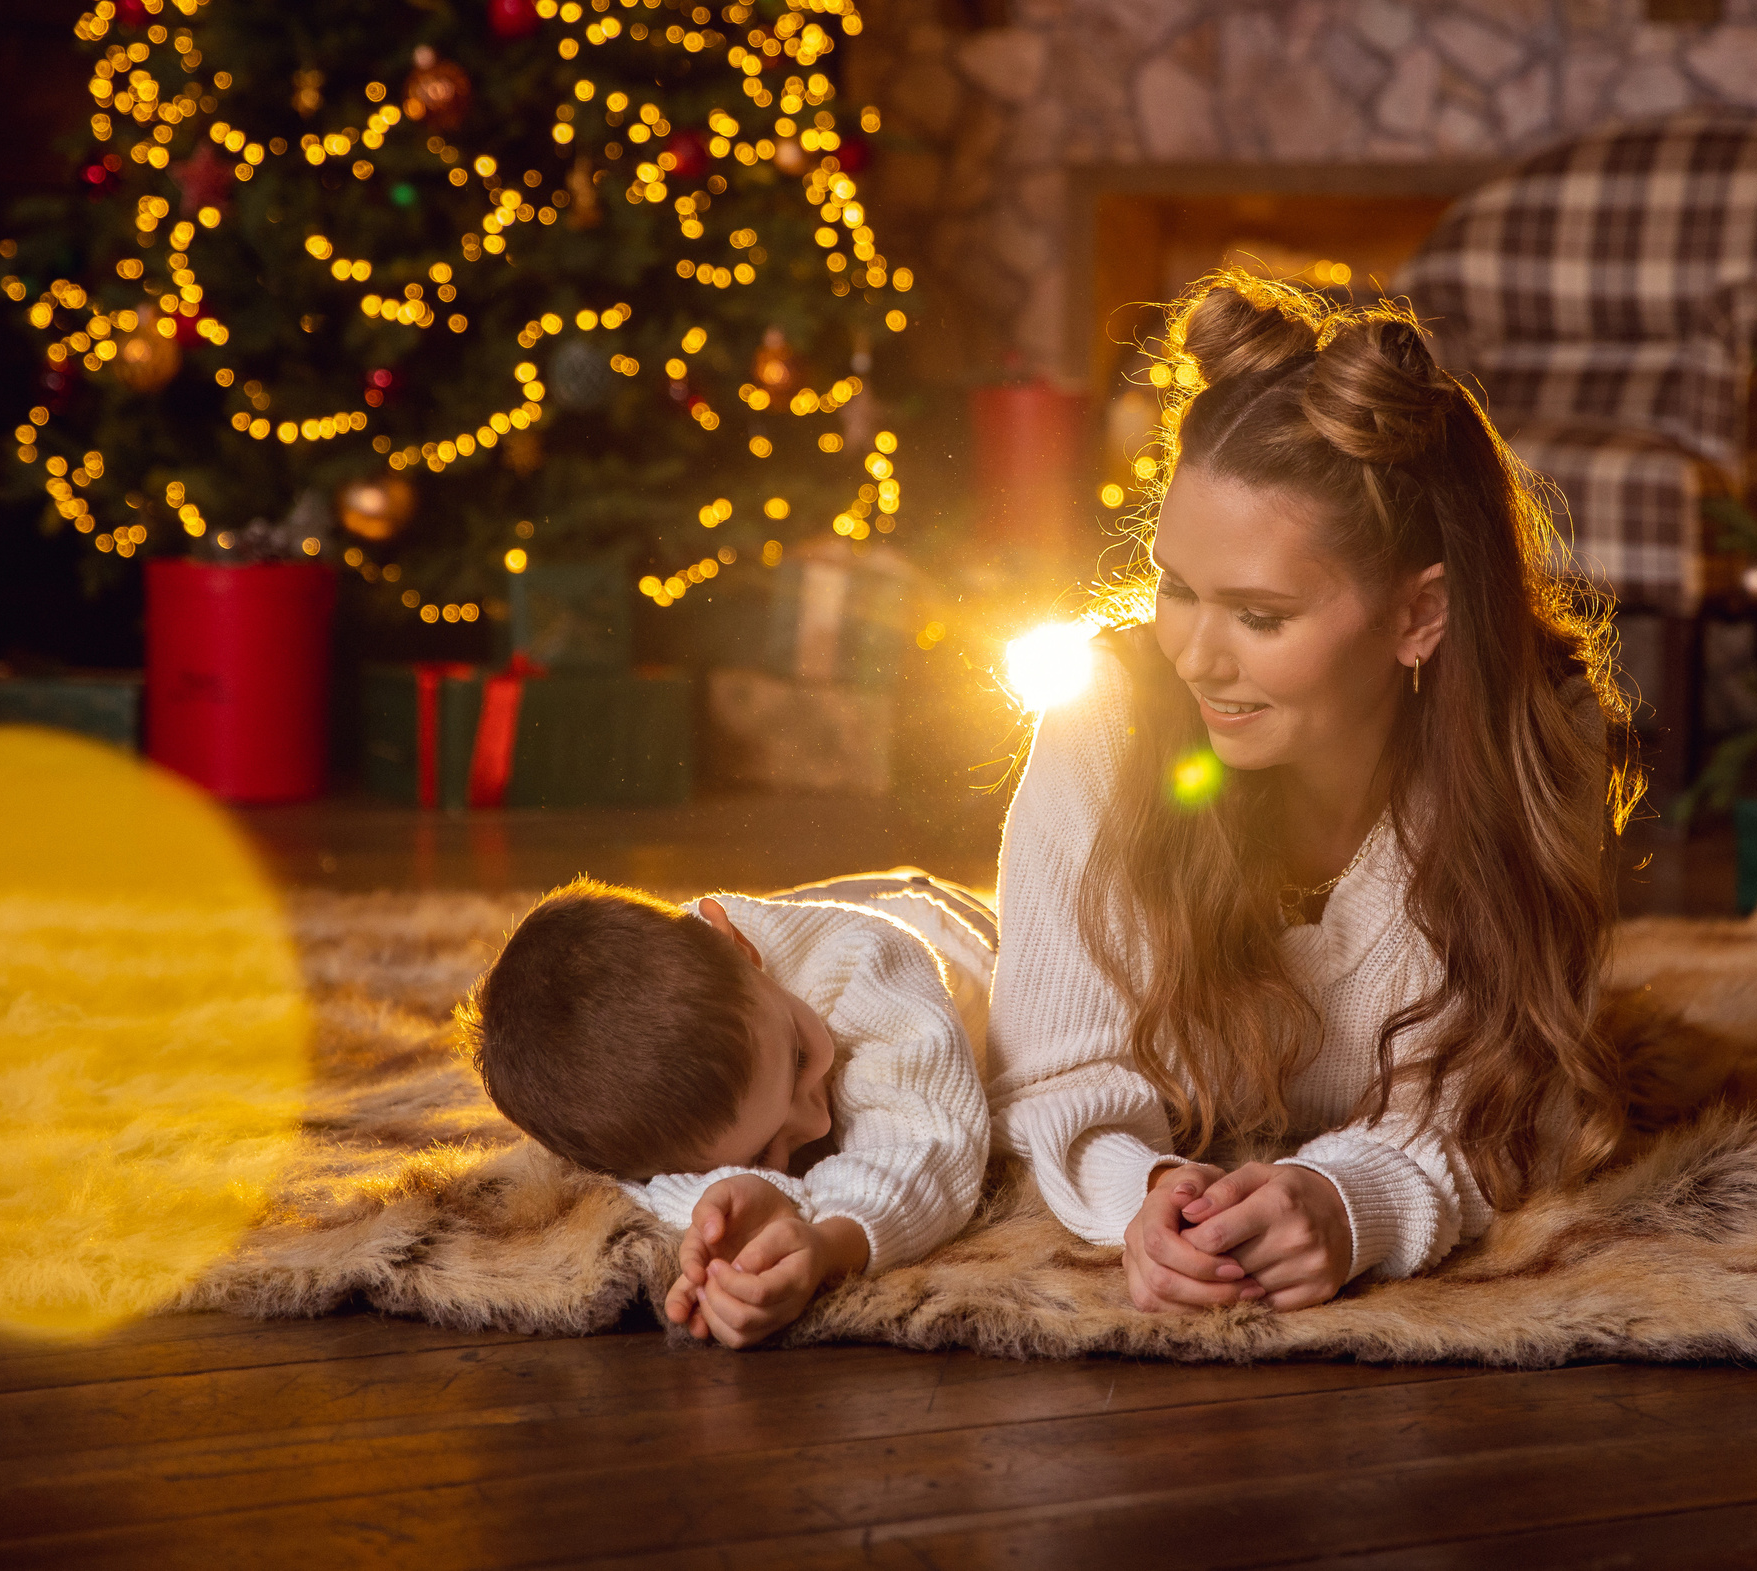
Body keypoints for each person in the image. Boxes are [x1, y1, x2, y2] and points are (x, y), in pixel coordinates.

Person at [986, 270, 1638, 1314]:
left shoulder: (1537, 738)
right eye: (1176, 588)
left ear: (1419, 616)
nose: (1195, 657)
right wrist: (1143, 1194)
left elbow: (1503, 1107)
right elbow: (1058, 1078)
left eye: (1260, 615)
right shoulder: (1105, 714)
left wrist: (1347, 1202)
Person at [459, 873, 992, 1347]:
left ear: (737, 944)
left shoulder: (868, 962)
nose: (819, 1123)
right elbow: (645, 1190)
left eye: (800, 1058)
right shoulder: (627, 1114)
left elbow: (929, 1142)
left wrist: (830, 1244)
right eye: (761, 1153)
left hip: (938, 921)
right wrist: (725, 1220)